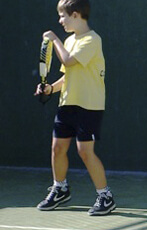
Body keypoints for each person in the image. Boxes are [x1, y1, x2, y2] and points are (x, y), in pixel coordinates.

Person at [33, 0, 116, 216]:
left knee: (85, 152)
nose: (60, 20)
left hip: (89, 105)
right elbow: (68, 74)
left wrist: (54, 39)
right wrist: (50, 88)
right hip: (67, 104)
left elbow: (69, 61)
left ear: (76, 15)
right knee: (57, 148)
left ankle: (105, 196)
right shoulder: (69, 41)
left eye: (63, 16)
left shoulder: (92, 40)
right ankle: (60, 188)